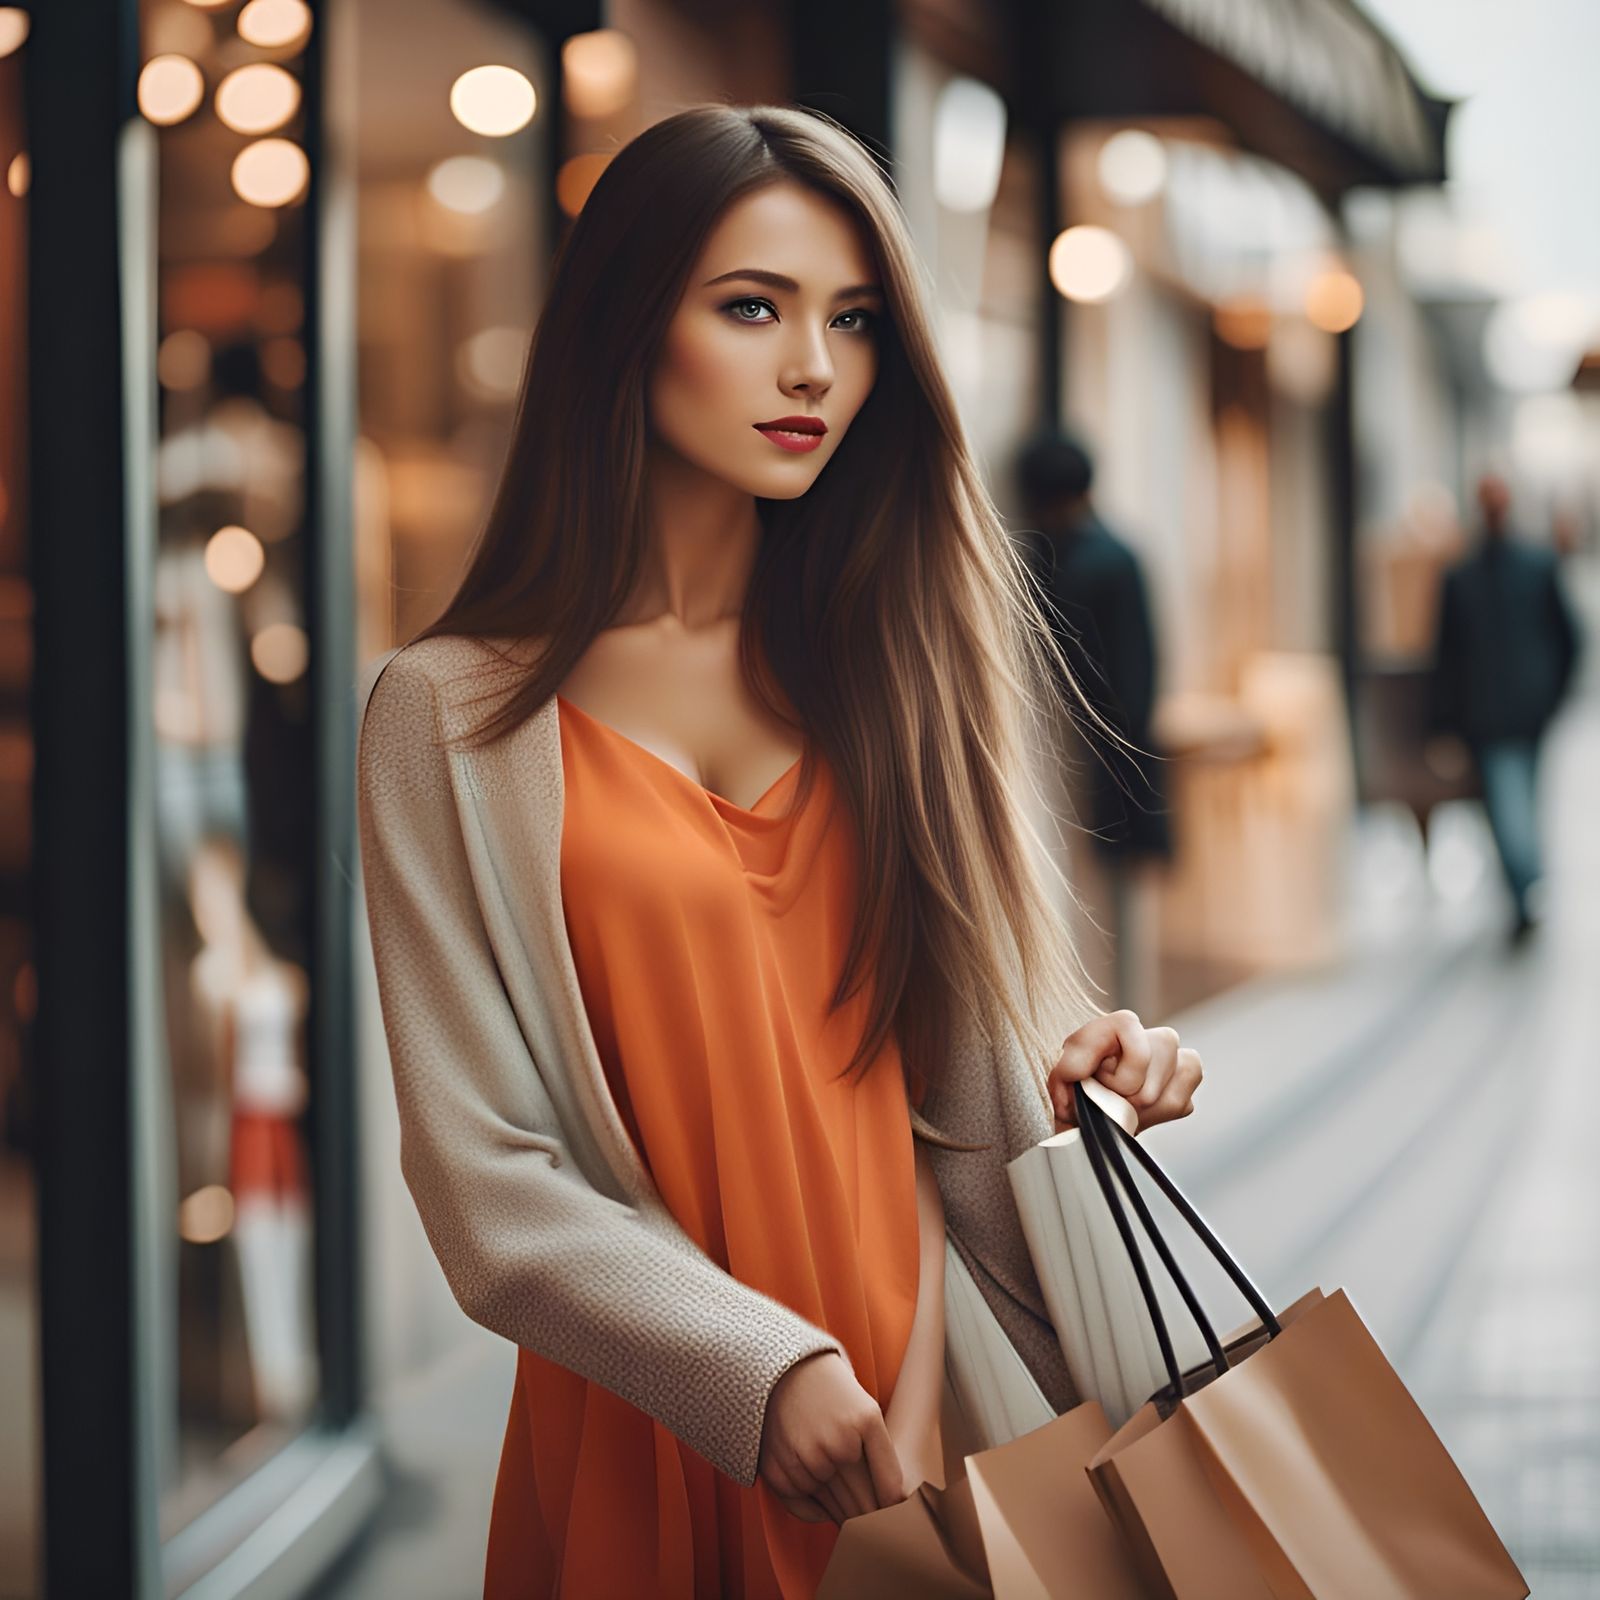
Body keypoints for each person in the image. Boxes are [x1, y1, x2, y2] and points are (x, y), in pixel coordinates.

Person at [356, 104, 1204, 1600]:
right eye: (752, 307)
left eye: (855, 319)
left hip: (932, 1407)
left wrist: (1085, 1089)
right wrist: (760, 1371)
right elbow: (485, 1182)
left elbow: (950, 1100)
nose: (816, 365)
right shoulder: (451, 717)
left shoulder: (895, 670)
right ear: (628, 328)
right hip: (658, 1421)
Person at [1014, 430, 1172, 1008]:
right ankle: (1124, 1012)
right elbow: (1143, 667)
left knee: (1097, 892)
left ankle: (1115, 1013)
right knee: (1112, 895)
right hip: (1107, 746)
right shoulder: (1111, 554)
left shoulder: (1054, 557)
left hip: (1090, 746)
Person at [1428, 471, 1582, 943]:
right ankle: (1526, 885)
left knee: (1519, 804)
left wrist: (1555, 693)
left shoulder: (1535, 566)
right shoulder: (1460, 576)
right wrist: (1443, 722)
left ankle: (1524, 888)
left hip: (1527, 712)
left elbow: (1569, 635)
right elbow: (1447, 654)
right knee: (1509, 807)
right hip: (1488, 717)